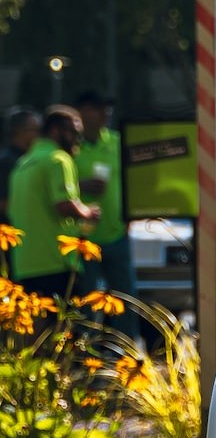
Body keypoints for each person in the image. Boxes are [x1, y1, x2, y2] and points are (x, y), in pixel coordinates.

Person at [5, 105, 100, 298]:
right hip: (56, 260)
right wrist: (89, 212)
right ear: (56, 131)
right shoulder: (58, 159)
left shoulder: (24, 163)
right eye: (74, 133)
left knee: (38, 326)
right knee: (64, 325)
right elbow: (64, 204)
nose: (78, 140)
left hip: (25, 263)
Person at [73, 90, 132, 297]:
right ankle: (89, 331)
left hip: (117, 233)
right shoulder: (71, 147)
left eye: (106, 109)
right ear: (79, 113)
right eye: (96, 109)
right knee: (87, 297)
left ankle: (127, 332)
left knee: (125, 297)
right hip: (83, 237)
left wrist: (130, 217)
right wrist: (82, 186)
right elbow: (58, 187)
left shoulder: (117, 142)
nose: (104, 113)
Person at [0, 107, 41, 236]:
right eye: (34, 130)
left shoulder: (29, 159)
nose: (38, 136)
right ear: (18, 131)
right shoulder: (6, 162)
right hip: (9, 235)